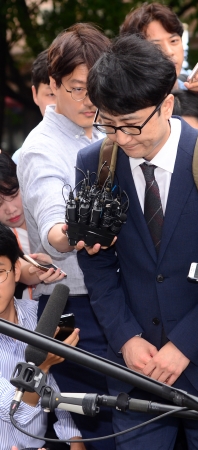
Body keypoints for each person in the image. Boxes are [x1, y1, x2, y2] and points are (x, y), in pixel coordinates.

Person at [76, 34, 198, 450]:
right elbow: (97, 264)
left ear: (166, 104)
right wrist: (126, 339)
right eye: (108, 124)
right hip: (136, 367)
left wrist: (183, 346)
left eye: (131, 125)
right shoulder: (96, 163)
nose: (121, 139)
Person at [17, 23, 115, 448]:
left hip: (112, 299)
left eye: (96, 88)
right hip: (73, 310)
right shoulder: (42, 148)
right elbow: (56, 228)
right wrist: (74, 232)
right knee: (99, 431)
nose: (89, 100)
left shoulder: (107, 130)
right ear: (51, 86)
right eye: (76, 89)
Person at [0, 224, 85, 450]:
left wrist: (76, 440)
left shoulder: (39, 314)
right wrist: (43, 366)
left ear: (17, 270)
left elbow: (61, 392)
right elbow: (14, 411)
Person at [120, 2, 198, 118]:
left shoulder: (192, 89)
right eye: (156, 45)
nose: (169, 52)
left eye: (174, 41)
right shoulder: (122, 97)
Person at [0, 152, 66, 298]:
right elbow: (21, 270)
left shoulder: (50, 211)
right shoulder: (3, 236)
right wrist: (36, 270)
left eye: (14, 195)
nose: (11, 209)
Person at [12, 49, 56, 164]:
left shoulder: (106, 143)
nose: (59, 103)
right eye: (51, 94)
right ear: (35, 94)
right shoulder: (21, 159)